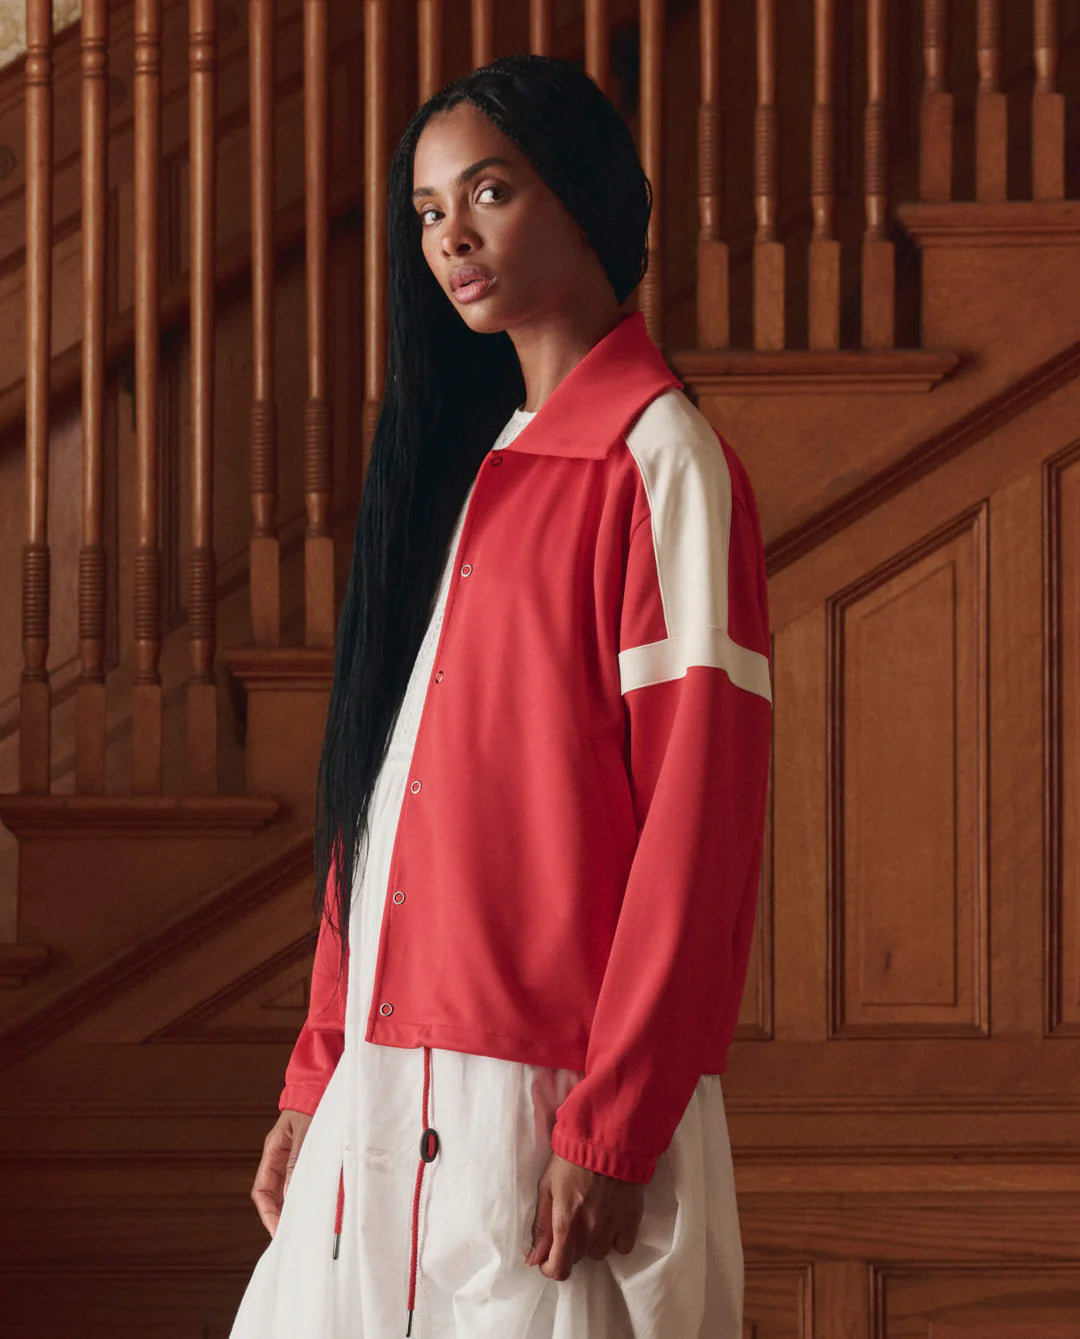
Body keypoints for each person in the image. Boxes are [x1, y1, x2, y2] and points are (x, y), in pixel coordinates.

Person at [228, 52, 772, 1339]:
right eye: (426, 211)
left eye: (488, 191)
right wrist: (318, 1069)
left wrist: (619, 1120)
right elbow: (383, 792)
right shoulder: (472, 474)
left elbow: (700, 818)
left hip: (544, 1107)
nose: (451, 237)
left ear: (581, 195)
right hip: (383, 1088)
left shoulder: (662, 461)